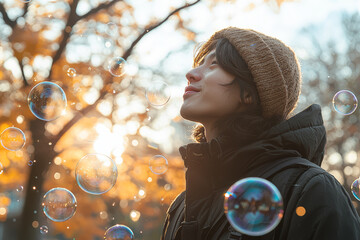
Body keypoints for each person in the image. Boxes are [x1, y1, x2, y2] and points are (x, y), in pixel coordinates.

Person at [161, 27, 360, 240]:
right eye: (199, 64)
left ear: (250, 91)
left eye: (214, 64)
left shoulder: (311, 190)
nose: (190, 74)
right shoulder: (181, 206)